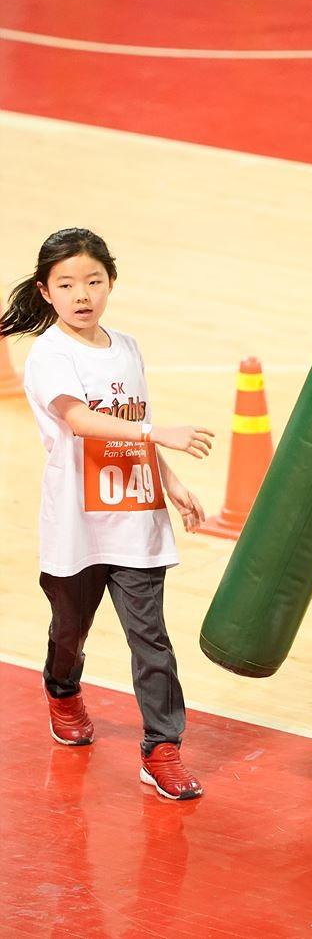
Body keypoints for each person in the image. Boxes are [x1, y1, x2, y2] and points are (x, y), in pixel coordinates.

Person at [1, 227, 215, 800]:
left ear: (111, 282)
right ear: (45, 291)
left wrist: (170, 482)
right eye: (67, 284)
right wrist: (157, 433)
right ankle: (63, 688)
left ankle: (162, 748)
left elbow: (129, 422)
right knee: (70, 630)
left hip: (135, 517)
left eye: (93, 281)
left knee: (152, 641)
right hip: (77, 524)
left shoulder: (128, 347)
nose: (82, 294)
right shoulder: (50, 354)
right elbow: (80, 420)